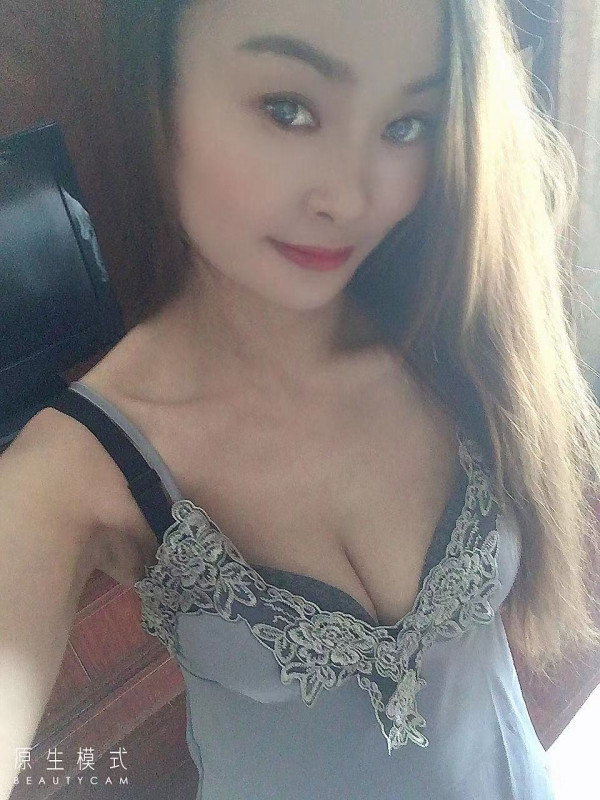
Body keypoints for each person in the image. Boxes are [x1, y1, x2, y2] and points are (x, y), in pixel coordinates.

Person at [2, 1, 600, 798]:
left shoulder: (450, 324)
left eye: (406, 125)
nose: (352, 199)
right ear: (160, 89)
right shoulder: (74, 470)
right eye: (288, 109)